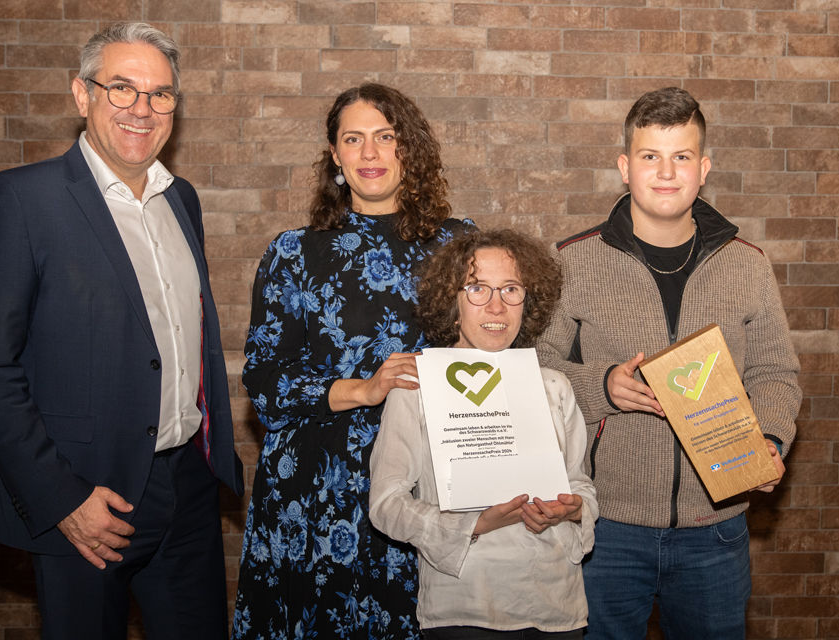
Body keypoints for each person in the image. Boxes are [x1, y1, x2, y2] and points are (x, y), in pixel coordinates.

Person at [0, 22, 242, 639]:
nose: (142, 109)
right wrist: (61, 499)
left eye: (160, 94)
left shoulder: (180, 199)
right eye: (122, 88)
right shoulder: (21, 201)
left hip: (188, 489)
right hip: (88, 499)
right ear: (81, 95)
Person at [537, 86, 801, 639]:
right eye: (649, 156)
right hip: (606, 527)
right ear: (624, 168)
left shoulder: (746, 265)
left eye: (681, 156)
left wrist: (771, 440)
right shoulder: (574, 261)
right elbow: (535, 365)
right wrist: (601, 385)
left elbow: (775, 371)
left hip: (716, 531)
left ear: (703, 168)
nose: (666, 172)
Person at [232, 83, 472, 640]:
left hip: (422, 478)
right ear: (335, 156)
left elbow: (493, 348)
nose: (370, 154)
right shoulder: (293, 252)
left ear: (408, 150)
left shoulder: (460, 245)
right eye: (354, 139)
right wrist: (363, 389)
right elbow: (264, 381)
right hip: (317, 489)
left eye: (386, 138)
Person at [369, 229, 597, 639]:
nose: (496, 305)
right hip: (466, 606)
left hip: (557, 607)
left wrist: (573, 508)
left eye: (511, 289)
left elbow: (581, 483)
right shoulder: (416, 387)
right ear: (451, 303)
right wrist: (474, 524)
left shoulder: (554, 386)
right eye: (477, 288)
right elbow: (386, 504)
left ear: (528, 301)